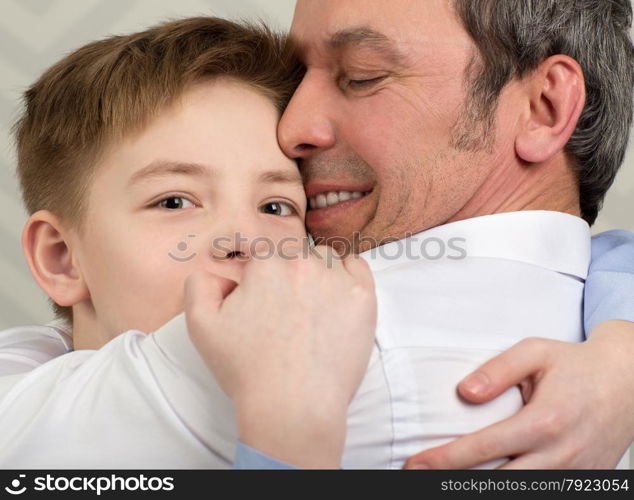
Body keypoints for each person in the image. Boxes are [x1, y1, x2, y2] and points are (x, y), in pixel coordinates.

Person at [1, 2, 633, 469]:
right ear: (59, 255)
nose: (295, 126)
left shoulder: (316, 347)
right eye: (174, 200)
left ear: (546, 106)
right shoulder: (578, 309)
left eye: (360, 75)